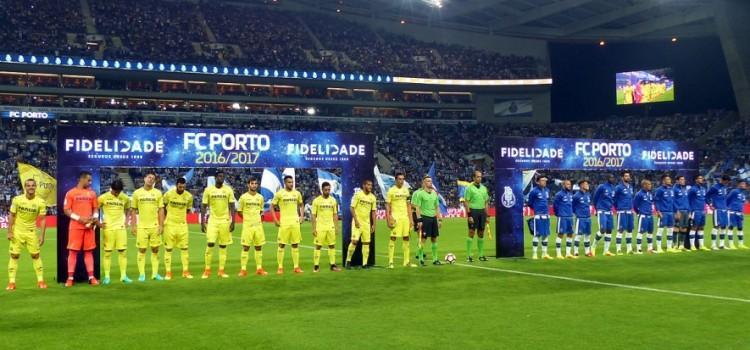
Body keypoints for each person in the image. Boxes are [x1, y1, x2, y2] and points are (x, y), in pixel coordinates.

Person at [6, 179, 47, 290]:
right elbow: (12, 215)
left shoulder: (40, 202)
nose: (31, 187)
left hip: (31, 232)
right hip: (17, 232)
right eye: (28, 185)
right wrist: (9, 231)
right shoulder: (17, 200)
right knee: (14, 256)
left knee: (35, 256)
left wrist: (42, 235)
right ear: (25, 187)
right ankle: (12, 282)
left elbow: (43, 220)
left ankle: (40, 281)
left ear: (36, 187)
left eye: (33, 185)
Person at [64, 171, 100, 287]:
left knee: (89, 252)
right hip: (75, 227)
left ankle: (91, 277)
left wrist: (94, 219)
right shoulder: (70, 193)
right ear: (82, 179)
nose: (90, 182)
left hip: (89, 227)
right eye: (89, 180)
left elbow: (95, 209)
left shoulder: (92, 194)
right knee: (73, 252)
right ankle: (70, 278)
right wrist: (80, 219)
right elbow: (67, 210)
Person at [130, 171, 165, 282]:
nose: (151, 179)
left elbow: (161, 210)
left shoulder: (158, 193)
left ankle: (155, 274)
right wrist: (133, 225)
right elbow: (133, 210)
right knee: (142, 250)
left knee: (155, 249)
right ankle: (142, 274)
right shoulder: (137, 193)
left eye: (153, 178)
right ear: (144, 178)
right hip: (142, 227)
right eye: (149, 177)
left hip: (154, 226)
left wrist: (161, 225)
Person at [201, 170, 236, 278]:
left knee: (223, 246)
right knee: (210, 244)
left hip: (225, 221)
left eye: (222, 176)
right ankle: (207, 270)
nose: (221, 178)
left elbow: (232, 206)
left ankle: (221, 271)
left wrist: (233, 221)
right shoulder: (209, 190)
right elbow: (203, 206)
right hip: (213, 221)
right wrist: (202, 222)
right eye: (219, 176)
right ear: (215, 178)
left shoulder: (228, 190)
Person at [97, 179, 132, 284]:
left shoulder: (125, 198)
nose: (117, 193)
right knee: (107, 253)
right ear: (111, 188)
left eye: (119, 191)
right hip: (108, 228)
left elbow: (128, 209)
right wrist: (98, 222)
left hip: (120, 228)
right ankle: (107, 277)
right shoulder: (103, 197)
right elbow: (95, 209)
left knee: (123, 252)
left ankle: (123, 276)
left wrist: (126, 221)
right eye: (115, 191)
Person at [270, 175, 304, 274]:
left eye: (292, 182)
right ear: (285, 183)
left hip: (295, 222)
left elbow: (301, 204)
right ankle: (280, 267)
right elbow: (272, 207)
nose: (291, 184)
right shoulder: (279, 193)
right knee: (281, 245)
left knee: (295, 244)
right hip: (284, 222)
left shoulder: (297, 193)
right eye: (289, 182)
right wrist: (275, 219)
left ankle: (296, 267)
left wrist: (301, 216)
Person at [162, 177, 194, 280]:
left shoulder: (189, 196)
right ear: (176, 185)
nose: (181, 188)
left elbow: (188, 210)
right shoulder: (169, 194)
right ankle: (168, 272)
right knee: (168, 249)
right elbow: (163, 207)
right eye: (180, 186)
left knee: (184, 248)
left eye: (183, 187)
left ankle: (185, 271)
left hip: (182, 225)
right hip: (170, 225)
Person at [237, 177, 268, 276]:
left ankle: (259, 268)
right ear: (248, 184)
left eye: (255, 183)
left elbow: (261, 211)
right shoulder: (243, 197)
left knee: (258, 247)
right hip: (248, 226)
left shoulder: (260, 197)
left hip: (258, 226)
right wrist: (247, 219)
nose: (254, 185)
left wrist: (257, 219)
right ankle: (243, 269)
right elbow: (239, 211)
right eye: (252, 183)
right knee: (245, 247)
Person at [345, 179, 377, 269]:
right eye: (368, 185)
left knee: (366, 243)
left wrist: (374, 224)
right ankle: (348, 261)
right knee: (354, 241)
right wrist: (356, 220)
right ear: (364, 185)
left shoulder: (373, 197)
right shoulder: (358, 195)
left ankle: (364, 264)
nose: (370, 186)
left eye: (371, 185)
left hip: (366, 223)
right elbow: (352, 208)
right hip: (357, 222)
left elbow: (373, 212)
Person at [411, 176, 442, 265]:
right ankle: (421, 259)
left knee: (434, 238)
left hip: (433, 218)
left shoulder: (434, 194)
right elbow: (417, 208)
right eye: (428, 181)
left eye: (431, 181)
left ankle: (435, 259)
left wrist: (439, 219)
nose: (430, 182)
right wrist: (419, 220)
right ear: (424, 183)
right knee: (423, 239)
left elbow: (437, 207)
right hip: (425, 218)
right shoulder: (420, 194)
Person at [385, 172, 414, 268]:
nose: (401, 181)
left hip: (405, 218)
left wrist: (411, 219)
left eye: (403, 179)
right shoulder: (391, 191)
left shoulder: (406, 191)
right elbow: (387, 206)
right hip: (395, 218)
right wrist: (388, 219)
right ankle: (390, 262)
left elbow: (408, 205)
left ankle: (406, 261)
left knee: (406, 238)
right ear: (396, 180)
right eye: (400, 179)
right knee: (393, 238)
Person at [311, 182, 341, 272]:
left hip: (330, 226)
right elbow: (313, 215)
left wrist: (336, 227)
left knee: (332, 245)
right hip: (320, 227)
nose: (327, 191)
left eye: (329, 189)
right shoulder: (316, 200)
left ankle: (333, 265)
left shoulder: (333, 200)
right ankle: (316, 266)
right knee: (318, 246)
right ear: (322, 190)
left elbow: (335, 214)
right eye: (326, 190)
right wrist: (314, 228)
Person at [462, 170, 490, 262]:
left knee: (481, 233)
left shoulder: (484, 188)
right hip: (473, 211)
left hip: (482, 212)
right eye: (478, 177)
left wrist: (487, 215)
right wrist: (469, 215)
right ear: (473, 178)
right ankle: (468, 255)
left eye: (480, 177)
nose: (479, 178)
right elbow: (466, 202)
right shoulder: (469, 188)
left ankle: (481, 255)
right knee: (471, 232)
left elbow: (486, 202)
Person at [527, 175, 551, 260]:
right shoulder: (534, 191)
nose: (544, 182)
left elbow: (547, 201)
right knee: (537, 235)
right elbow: (529, 203)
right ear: (537, 182)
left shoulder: (547, 190)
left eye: (545, 180)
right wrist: (536, 210)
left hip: (546, 215)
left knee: (546, 235)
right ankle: (534, 254)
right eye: (542, 180)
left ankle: (544, 253)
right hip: (538, 216)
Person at [592, 174, 616, 256]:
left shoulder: (613, 188)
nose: (612, 179)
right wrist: (596, 208)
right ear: (607, 178)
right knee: (602, 230)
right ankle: (593, 247)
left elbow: (612, 199)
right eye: (610, 177)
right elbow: (595, 198)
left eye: (613, 178)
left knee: (609, 231)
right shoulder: (601, 187)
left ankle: (606, 251)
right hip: (601, 210)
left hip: (609, 212)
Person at [706, 175, 730, 250]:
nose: (727, 183)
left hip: (724, 209)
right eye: (726, 181)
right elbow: (706, 196)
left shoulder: (724, 187)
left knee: (723, 226)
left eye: (727, 182)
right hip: (717, 209)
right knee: (716, 226)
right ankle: (713, 245)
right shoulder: (714, 187)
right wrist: (710, 204)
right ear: (722, 180)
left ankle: (721, 245)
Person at [553, 179, 575, 259]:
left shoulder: (570, 194)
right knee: (560, 234)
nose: (569, 186)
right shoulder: (559, 194)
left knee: (570, 234)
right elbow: (555, 205)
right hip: (562, 217)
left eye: (570, 184)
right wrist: (558, 214)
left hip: (570, 217)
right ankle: (558, 254)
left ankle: (568, 253)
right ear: (563, 185)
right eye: (567, 184)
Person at [654, 175, 676, 253]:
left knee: (670, 230)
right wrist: (658, 211)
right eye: (667, 179)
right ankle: (659, 248)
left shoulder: (672, 190)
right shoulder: (659, 190)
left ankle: (669, 247)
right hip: (663, 212)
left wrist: (675, 211)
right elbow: (656, 201)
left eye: (669, 179)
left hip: (671, 213)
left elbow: (673, 202)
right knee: (660, 230)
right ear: (663, 181)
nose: (669, 180)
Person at [614, 172, 635, 255]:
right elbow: (614, 199)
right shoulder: (618, 187)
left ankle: (629, 249)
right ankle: (618, 249)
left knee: (629, 230)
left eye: (629, 176)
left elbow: (630, 199)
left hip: (630, 211)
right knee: (620, 230)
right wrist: (618, 207)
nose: (628, 177)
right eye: (626, 176)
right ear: (622, 178)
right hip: (622, 211)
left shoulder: (631, 187)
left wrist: (632, 209)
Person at [687, 175, 709, 251]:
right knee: (694, 227)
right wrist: (689, 211)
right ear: (696, 180)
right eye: (699, 178)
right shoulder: (692, 189)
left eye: (702, 178)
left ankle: (701, 245)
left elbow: (705, 199)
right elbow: (688, 200)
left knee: (701, 228)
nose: (701, 179)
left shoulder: (703, 189)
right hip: (695, 211)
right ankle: (692, 246)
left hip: (702, 211)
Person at [634, 180, 655, 254]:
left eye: (650, 184)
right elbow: (635, 206)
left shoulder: (650, 194)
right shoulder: (639, 194)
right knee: (641, 232)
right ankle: (639, 249)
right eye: (649, 184)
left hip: (650, 215)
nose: (650, 185)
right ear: (644, 185)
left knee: (650, 232)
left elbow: (651, 203)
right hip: (643, 216)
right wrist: (639, 213)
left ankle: (650, 248)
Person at [572, 180, 592, 257]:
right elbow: (572, 207)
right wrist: (577, 213)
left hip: (588, 218)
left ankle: (587, 252)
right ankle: (576, 252)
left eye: (587, 184)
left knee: (588, 235)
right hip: (580, 218)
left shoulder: (588, 194)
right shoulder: (576, 196)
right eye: (586, 184)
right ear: (581, 185)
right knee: (578, 235)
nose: (587, 185)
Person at [726, 179, 747, 249]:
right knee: (731, 227)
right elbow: (727, 199)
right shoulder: (734, 191)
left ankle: (741, 244)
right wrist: (729, 208)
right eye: (742, 184)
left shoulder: (744, 193)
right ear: (739, 185)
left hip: (740, 213)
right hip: (733, 212)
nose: (744, 185)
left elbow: (742, 202)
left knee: (740, 228)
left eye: (745, 184)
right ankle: (731, 244)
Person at [672, 176, 691, 250]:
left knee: (684, 228)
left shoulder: (685, 189)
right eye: (681, 179)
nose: (683, 180)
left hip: (686, 211)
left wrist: (689, 211)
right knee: (676, 228)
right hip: (679, 211)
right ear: (677, 181)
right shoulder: (674, 189)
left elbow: (687, 201)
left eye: (684, 179)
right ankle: (674, 244)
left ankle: (681, 245)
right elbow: (672, 201)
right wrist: (676, 211)